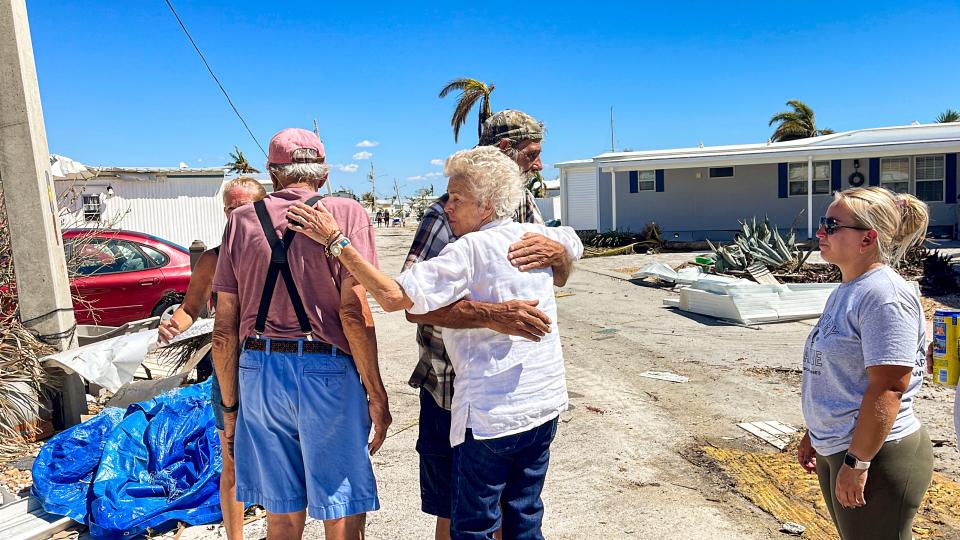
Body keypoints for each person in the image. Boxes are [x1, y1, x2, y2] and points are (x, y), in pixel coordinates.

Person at [287, 146, 583, 540]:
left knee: (473, 526)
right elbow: (572, 239)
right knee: (524, 517)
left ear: (488, 205)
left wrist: (337, 242)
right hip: (544, 408)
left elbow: (394, 297)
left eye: (457, 199)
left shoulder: (470, 248)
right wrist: (562, 251)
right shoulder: (538, 237)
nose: (447, 208)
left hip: (491, 419)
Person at [211, 128, 390, 540]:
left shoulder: (240, 220)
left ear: (273, 174)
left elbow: (223, 331)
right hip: (325, 368)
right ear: (323, 176)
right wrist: (376, 394)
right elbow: (352, 311)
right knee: (340, 510)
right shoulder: (346, 214)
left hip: (258, 370)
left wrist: (231, 410)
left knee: (282, 515)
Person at [403, 109, 573, 539]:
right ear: (503, 152)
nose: (538, 165)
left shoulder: (525, 208)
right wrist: (494, 316)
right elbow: (412, 304)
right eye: (532, 154)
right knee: (460, 513)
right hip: (452, 388)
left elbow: (555, 274)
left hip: (516, 395)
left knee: (514, 511)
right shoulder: (446, 213)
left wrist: (560, 257)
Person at [797, 186, 933, 540]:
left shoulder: (884, 295)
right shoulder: (848, 289)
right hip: (841, 447)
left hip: (876, 454)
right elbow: (840, 375)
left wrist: (857, 462)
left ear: (867, 238)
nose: (820, 232)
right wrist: (815, 432)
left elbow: (889, 387)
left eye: (832, 224)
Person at [157, 176, 266, 540]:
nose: (236, 216)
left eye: (245, 208)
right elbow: (191, 308)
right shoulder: (212, 259)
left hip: (273, 366)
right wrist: (173, 325)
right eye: (230, 209)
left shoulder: (281, 252)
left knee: (282, 455)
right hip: (228, 368)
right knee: (231, 457)